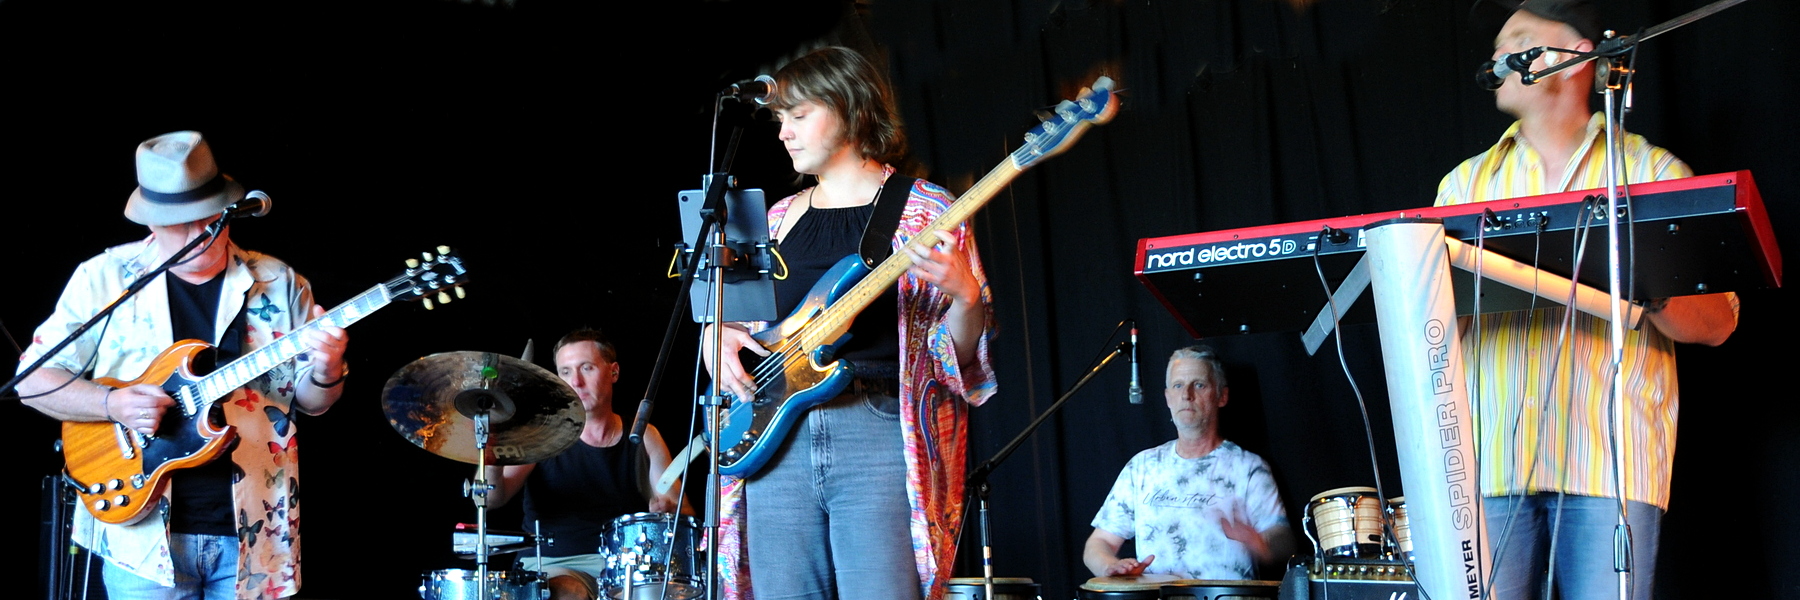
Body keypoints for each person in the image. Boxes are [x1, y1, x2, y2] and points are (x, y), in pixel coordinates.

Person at [1434, 2, 1738, 598]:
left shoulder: (1651, 171)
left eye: (1517, 41)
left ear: (1573, 58)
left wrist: (1639, 281)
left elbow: (1720, 322)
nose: (1496, 58)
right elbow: (1435, 333)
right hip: (1490, 467)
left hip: (1612, 467)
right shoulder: (1463, 186)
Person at [703, 46, 997, 600]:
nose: (784, 133)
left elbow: (955, 360)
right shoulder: (775, 219)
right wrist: (715, 339)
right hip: (774, 441)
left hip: (876, 432)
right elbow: (739, 332)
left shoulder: (926, 210)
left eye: (799, 115)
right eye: (779, 120)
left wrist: (965, 297)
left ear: (850, 108)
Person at [17, 131, 349, 600]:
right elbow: (32, 381)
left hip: (257, 532)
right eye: (182, 224)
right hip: (140, 534)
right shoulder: (105, 278)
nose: (202, 235)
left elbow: (313, 404)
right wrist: (112, 404)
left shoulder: (279, 283)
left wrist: (327, 366)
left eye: (211, 219)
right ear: (153, 224)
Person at [484, 328, 685, 600]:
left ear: (613, 372)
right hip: (553, 564)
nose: (575, 381)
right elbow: (495, 497)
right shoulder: (542, 435)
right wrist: (491, 455)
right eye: (565, 372)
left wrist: (668, 508)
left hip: (625, 567)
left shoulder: (644, 434)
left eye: (586, 368)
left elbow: (681, 509)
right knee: (567, 592)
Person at [1084, 346, 1292, 580]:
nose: (1187, 395)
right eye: (1178, 385)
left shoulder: (1248, 467)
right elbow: (1098, 543)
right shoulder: (1142, 467)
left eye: (1199, 385)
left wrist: (1261, 543)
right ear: (1167, 398)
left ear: (1222, 396)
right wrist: (1110, 566)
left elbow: (1284, 543)